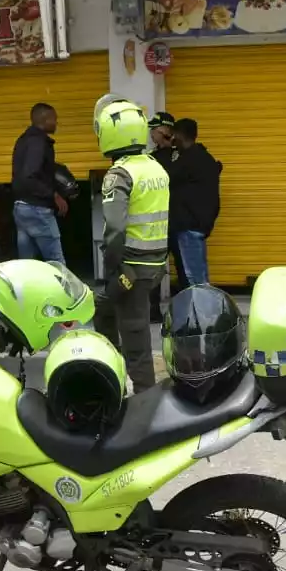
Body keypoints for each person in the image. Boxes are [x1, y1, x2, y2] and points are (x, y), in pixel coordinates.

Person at [93, 94, 170, 393]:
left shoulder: (120, 174)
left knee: (134, 334)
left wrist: (113, 267)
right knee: (103, 309)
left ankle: (144, 398)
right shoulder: (155, 168)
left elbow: (114, 229)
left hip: (132, 269)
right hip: (154, 265)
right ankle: (111, 369)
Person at [168, 118, 222, 290]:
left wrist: (169, 148)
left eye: (174, 136)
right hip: (199, 224)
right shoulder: (205, 158)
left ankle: (203, 315)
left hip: (189, 226)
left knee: (196, 280)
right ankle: (204, 313)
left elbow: (167, 177)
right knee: (199, 276)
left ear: (179, 135)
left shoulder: (187, 161)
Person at [12, 102, 68, 264]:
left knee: (27, 264)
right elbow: (30, 175)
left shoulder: (23, 140)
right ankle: (63, 289)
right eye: (54, 119)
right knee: (56, 262)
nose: (56, 123)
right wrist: (53, 194)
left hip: (21, 208)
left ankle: (25, 290)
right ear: (45, 119)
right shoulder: (39, 142)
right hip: (37, 209)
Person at [147, 111, 176, 321]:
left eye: (154, 131)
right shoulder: (151, 157)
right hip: (160, 221)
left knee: (184, 271)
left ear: (163, 130)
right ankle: (153, 310)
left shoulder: (180, 155)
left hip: (175, 221)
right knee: (155, 269)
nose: (151, 135)